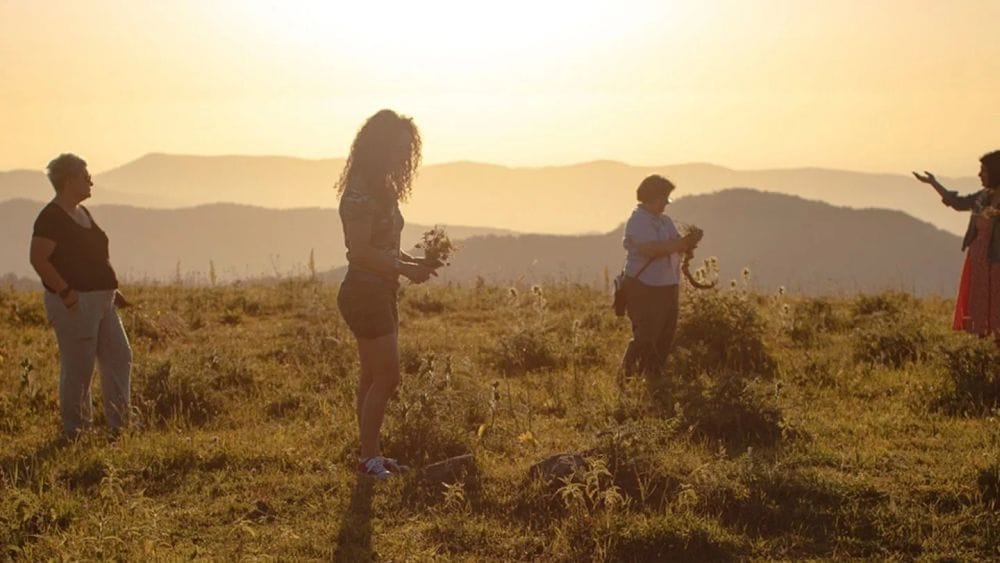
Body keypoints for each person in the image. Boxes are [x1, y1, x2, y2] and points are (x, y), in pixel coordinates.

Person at [335, 110, 439, 479]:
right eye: (396, 148)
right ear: (378, 148)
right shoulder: (361, 194)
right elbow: (361, 252)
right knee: (388, 377)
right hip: (365, 291)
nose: (401, 157)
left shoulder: (381, 188)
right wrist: (405, 269)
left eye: (405, 149)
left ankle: (370, 455)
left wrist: (415, 261)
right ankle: (368, 457)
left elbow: (385, 247)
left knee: (371, 376)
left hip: (378, 290)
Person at [28, 153, 132, 439]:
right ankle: (77, 431)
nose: (91, 182)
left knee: (119, 357)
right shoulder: (51, 217)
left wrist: (112, 290)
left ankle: (119, 426)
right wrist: (66, 293)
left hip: (103, 300)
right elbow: (38, 259)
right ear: (70, 180)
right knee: (79, 368)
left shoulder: (81, 212)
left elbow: (91, 257)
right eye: (86, 177)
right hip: (76, 302)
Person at [620, 174, 702, 380]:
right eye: (664, 198)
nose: (666, 203)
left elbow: (675, 246)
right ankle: (627, 378)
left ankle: (653, 377)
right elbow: (653, 250)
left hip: (667, 286)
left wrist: (688, 243)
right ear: (653, 198)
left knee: (665, 335)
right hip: (644, 286)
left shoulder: (664, 221)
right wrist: (682, 243)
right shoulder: (637, 222)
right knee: (646, 334)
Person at [914, 150, 1000, 339]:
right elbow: (958, 203)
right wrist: (934, 183)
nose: (980, 175)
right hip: (979, 259)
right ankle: (984, 351)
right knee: (980, 306)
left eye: (984, 171)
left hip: (996, 262)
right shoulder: (982, 197)